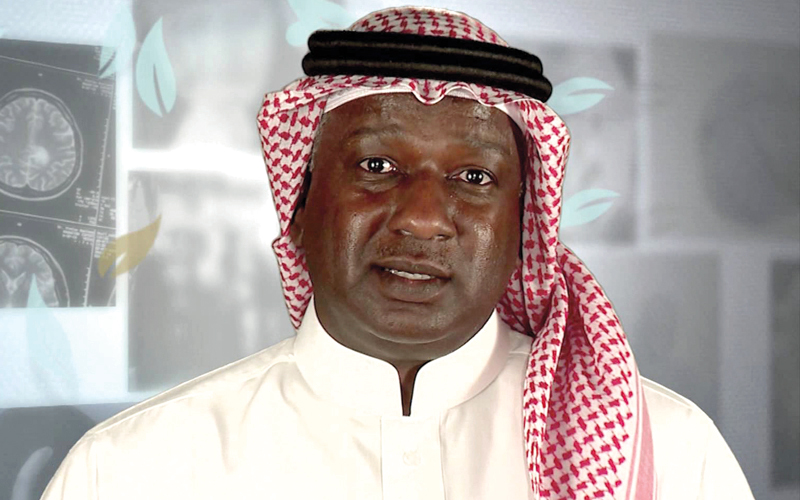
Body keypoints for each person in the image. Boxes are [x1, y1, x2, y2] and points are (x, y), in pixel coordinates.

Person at [41, 6, 754, 499]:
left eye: (474, 178)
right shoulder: (130, 472)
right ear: (298, 209)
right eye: (376, 166)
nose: (422, 218)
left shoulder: (669, 457)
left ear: (522, 229)